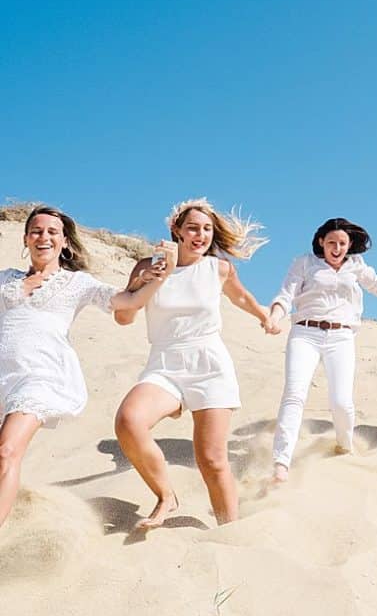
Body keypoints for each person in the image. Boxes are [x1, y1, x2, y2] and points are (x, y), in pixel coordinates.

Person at [0, 206, 169, 529]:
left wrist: (156, 279)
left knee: (7, 450)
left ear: (65, 242)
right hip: (3, 378)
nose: (44, 237)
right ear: (25, 239)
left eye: (52, 232)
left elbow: (127, 302)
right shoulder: (5, 280)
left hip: (40, 378)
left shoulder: (76, 283)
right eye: (36, 231)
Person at [113, 198, 278, 528]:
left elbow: (241, 296)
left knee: (212, 460)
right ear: (177, 230)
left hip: (209, 365)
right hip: (164, 363)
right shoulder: (150, 265)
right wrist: (140, 281)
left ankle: (229, 530)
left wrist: (265, 317)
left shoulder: (218, 268)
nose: (200, 235)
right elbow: (123, 317)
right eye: (193, 228)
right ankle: (166, 496)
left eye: (206, 229)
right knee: (129, 421)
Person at [267, 218, 377, 483]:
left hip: (341, 336)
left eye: (342, 243)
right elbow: (285, 295)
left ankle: (344, 446)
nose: (337, 248)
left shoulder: (356, 266)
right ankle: (281, 461)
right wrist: (275, 317)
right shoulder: (304, 262)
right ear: (321, 241)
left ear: (349, 245)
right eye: (331, 242)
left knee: (341, 402)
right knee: (294, 394)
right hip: (305, 333)